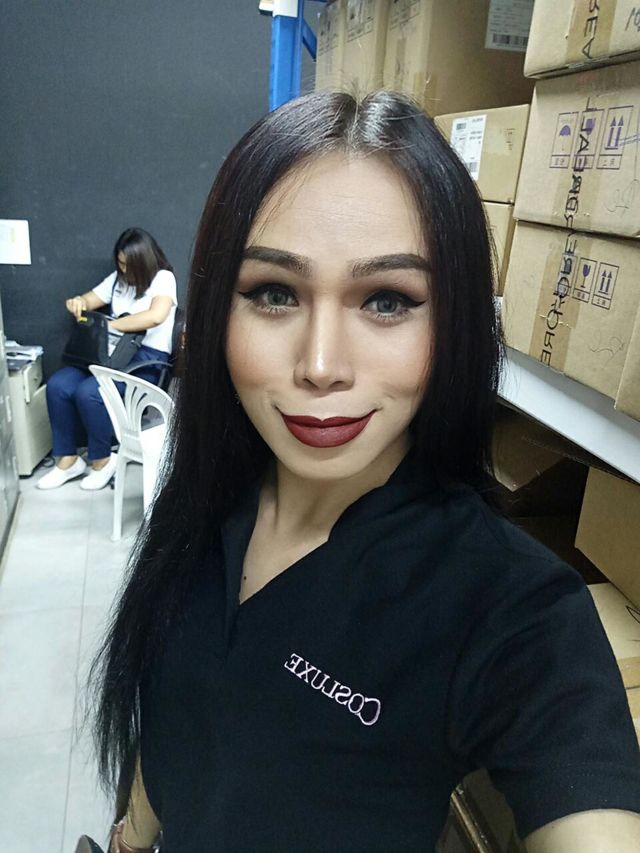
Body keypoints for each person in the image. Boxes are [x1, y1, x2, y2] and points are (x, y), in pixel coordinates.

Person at [87, 92, 640, 853]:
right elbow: (176, 713)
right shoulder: (210, 494)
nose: (321, 366)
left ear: (455, 324)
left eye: (386, 300)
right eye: (274, 293)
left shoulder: (511, 608)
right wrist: (130, 837)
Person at [38, 228, 177, 491]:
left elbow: (155, 316)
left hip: (144, 359)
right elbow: (89, 299)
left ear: (144, 261)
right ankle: (68, 460)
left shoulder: (162, 278)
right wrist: (78, 302)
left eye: (129, 265)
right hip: (110, 355)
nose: (124, 270)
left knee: (90, 392)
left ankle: (102, 461)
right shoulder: (118, 280)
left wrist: (112, 326)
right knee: (58, 385)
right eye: (120, 263)